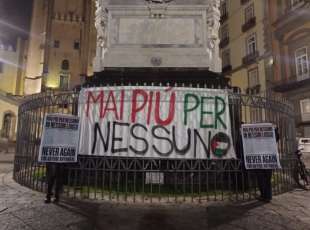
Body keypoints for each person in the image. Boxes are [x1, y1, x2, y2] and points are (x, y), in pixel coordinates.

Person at [255, 127, 280, 202]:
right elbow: (277, 137)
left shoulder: (264, 138)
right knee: (266, 179)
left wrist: (275, 130)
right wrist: (275, 130)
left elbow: (277, 137)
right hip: (268, 160)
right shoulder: (271, 137)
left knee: (262, 178)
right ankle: (267, 196)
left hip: (263, 160)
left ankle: (264, 196)